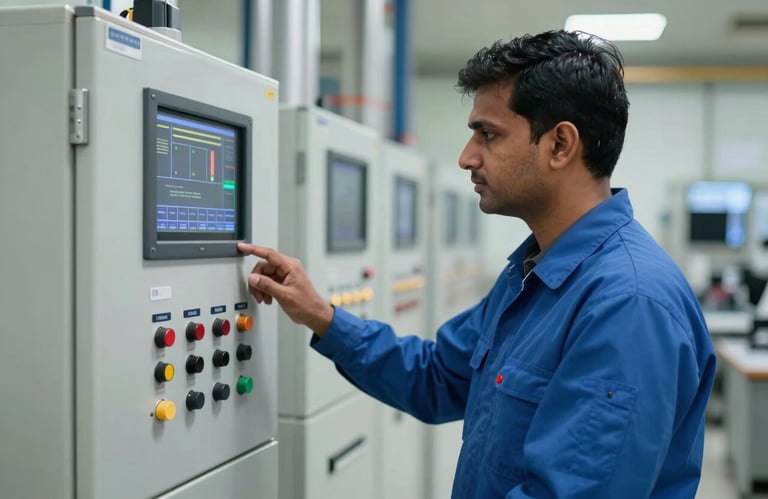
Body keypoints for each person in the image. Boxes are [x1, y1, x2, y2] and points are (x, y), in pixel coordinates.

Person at [238, 29, 716, 498]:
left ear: (560, 145)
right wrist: (320, 315)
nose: (467, 157)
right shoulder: (531, 274)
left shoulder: (627, 305)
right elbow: (437, 378)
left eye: (488, 134)